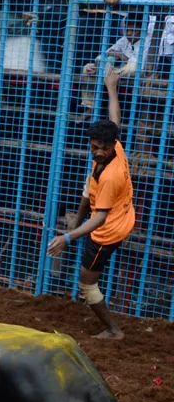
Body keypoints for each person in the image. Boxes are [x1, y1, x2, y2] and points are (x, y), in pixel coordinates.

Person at [47, 71, 133, 340]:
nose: (96, 152)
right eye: (93, 146)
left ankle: (113, 330)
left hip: (108, 231)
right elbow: (114, 118)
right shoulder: (114, 146)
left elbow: (100, 220)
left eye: (101, 148)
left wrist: (67, 237)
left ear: (111, 145)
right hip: (121, 215)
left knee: (87, 283)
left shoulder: (109, 176)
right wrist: (111, 88)